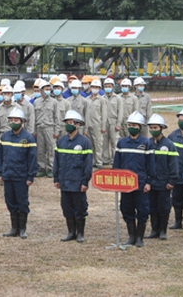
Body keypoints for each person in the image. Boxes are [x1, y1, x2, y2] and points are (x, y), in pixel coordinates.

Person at [113, 111, 155, 247]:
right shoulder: (121, 143)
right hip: (125, 184)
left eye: (135, 125)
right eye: (130, 125)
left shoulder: (146, 143)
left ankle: (139, 238)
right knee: (126, 208)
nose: (132, 127)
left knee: (142, 210)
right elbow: (116, 165)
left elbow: (151, 165)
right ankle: (131, 236)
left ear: (140, 127)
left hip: (141, 183)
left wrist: (149, 182)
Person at [0, 107, 38, 239]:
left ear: (22, 121)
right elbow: (0, 155)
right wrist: (0, 172)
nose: (13, 122)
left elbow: (32, 159)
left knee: (22, 202)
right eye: (11, 120)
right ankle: (14, 228)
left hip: (21, 176)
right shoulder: (5, 136)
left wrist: (30, 176)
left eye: (16, 120)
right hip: (8, 175)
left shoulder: (28, 138)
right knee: (10, 201)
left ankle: (22, 229)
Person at [53, 110, 93, 243]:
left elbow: (87, 164)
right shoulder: (61, 141)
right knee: (67, 208)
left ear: (77, 124)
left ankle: (80, 233)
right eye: (67, 123)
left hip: (77, 182)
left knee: (80, 208)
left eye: (71, 123)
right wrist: (56, 178)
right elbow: (57, 161)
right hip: (65, 181)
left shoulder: (84, 142)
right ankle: (71, 232)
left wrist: (85, 182)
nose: (68, 125)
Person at [144, 114, 179, 240]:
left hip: (164, 183)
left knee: (164, 207)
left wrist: (172, 180)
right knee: (152, 206)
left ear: (161, 128)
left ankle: (163, 231)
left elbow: (173, 164)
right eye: (151, 128)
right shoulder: (147, 143)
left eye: (155, 127)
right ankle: (154, 230)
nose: (153, 130)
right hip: (151, 182)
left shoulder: (169, 145)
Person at [34, 79, 59, 177]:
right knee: (40, 149)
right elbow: (35, 118)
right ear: (41, 90)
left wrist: (56, 130)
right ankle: (42, 168)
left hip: (50, 128)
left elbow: (57, 117)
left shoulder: (54, 102)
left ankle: (50, 168)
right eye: (46, 89)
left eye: (49, 89)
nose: (48, 91)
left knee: (51, 149)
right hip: (40, 128)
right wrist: (34, 131)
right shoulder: (36, 102)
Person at [84, 79, 108, 169]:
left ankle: (98, 161)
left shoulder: (102, 100)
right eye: (93, 87)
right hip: (88, 125)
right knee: (90, 144)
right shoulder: (87, 100)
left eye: (97, 87)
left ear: (99, 88)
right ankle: (92, 161)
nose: (95, 89)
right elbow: (85, 113)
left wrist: (103, 126)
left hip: (97, 125)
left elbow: (104, 114)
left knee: (98, 144)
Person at [103, 78, 123, 166]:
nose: (108, 88)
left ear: (113, 87)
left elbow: (120, 112)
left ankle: (114, 159)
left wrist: (118, 124)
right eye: (106, 86)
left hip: (114, 122)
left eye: (109, 86)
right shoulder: (101, 98)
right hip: (104, 123)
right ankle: (105, 159)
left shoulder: (118, 98)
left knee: (114, 142)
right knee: (104, 142)